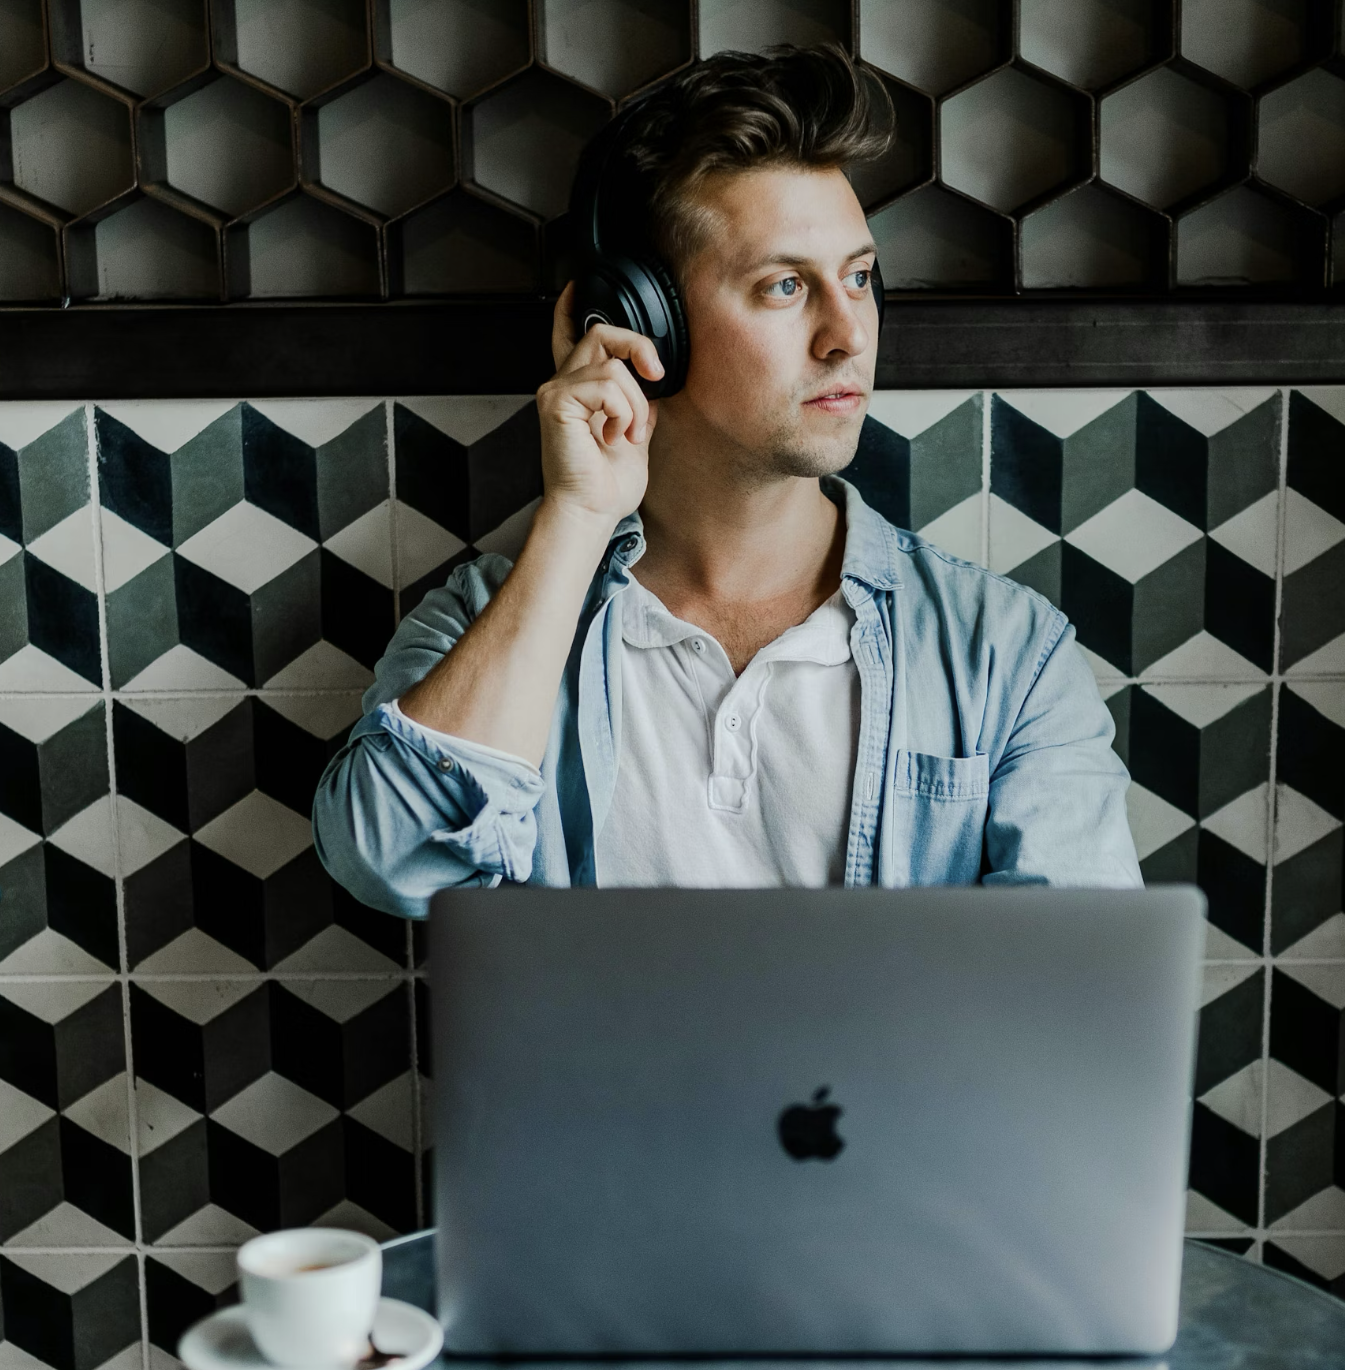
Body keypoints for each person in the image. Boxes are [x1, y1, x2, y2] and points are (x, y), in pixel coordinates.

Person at [312, 45, 1140, 914]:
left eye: (859, 277)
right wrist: (579, 516)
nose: (850, 335)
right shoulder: (488, 622)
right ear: (640, 321)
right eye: (785, 286)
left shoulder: (1005, 653)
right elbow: (391, 864)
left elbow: (1076, 982)